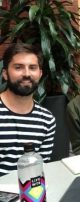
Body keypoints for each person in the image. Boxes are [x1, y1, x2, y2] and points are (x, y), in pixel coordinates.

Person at [0, 43, 56, 176]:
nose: (26, 74)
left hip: (30, 193)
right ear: (5, 74)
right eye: (18, 67)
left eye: (32, 68)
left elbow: (40, 171)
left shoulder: (47, 120)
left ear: (40, 73)